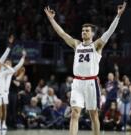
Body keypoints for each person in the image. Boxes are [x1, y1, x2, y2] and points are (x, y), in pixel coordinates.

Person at [44, 2, 126, 135]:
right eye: (83, 30)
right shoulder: (77, 44)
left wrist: (118, 16)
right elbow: (62, 33)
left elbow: (109, 32)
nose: (84, 32)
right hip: (77, 83)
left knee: (93, 114)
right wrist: (51, 19)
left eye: (87, 30)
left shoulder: (97, 45)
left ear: (92, 33)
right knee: (75, 113)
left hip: (91, 83)